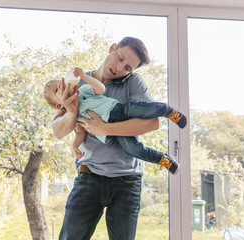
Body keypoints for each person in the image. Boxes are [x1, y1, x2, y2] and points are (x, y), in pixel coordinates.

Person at [50, 37, 184, 240]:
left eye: (128, 67)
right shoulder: (77, 83)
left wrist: (105, 129)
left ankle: (162, 155)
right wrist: (71, 111)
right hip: (89, 177)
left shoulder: (133, 82)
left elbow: (152, 123)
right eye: (120, 58)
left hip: (127, 181)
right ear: (112, 48)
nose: (120, 68)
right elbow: (59, 131)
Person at [44, 67, 187, 174]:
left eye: (62, 82)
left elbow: (100, 88)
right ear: (59, 105)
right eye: (58, 89)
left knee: (143, 109)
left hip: (119, 110)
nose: (63, 86)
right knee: (132, 149)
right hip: (116, 133)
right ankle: (163, 159)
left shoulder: (83, 91)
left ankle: (169, 111)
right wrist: (75, 146)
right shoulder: (72, 117)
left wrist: (83, 77)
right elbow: (80, 133)